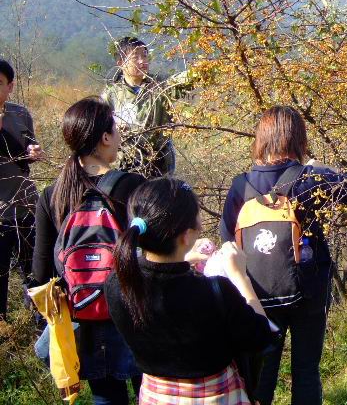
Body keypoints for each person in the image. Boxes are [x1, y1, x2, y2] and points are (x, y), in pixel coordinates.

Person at [220, 105, 347, 405]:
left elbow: (227, 241)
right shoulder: (308, 178)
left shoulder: (241, 186)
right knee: (306, 370)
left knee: (262, 374)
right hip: (308, 291)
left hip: (258, 294)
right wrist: (324, 171)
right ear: (298, 139)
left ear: (262, 139)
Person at [104, 178, 273, 405]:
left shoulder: (118, 284)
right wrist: (240, 277)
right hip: (216, 397)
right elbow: (261, 337)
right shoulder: (215, 292)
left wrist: (183, 256)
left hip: (155, 397)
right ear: (186, 236)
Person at [32, 97, 144, 404]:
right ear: (105, 137)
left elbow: (41, 271)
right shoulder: (133, 185)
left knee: (105, 396)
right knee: (150, 393)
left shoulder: (53, 194)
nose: (119, 136)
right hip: (133, 314)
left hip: (84, 314)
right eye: (116, 129)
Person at [102, 36, 191, 178]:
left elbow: (183, 81)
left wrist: (205, 69)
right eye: (135, 57)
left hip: (160, 164)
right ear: (121, 63)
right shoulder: (111, 95)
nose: (142, 61)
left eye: (144, 56)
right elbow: (100, 127)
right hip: (124, 165)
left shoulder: (160, 86)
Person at [0, 58, 44, 321]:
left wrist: (34, 152)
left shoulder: (20, 114)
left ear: (10, 86)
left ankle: (41, 325)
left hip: (26, 206)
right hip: (0, 213)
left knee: (35, 274)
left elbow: (29, 150)